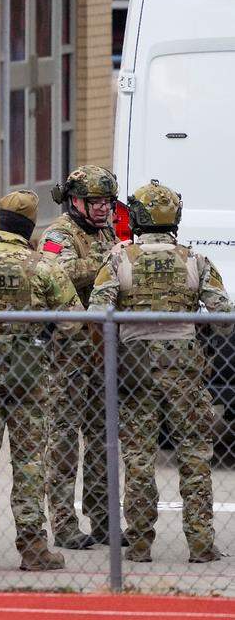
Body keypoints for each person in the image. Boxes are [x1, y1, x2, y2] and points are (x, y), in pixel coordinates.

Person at [88, 180, 229, 563]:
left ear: (136, 217)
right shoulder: (195, 260)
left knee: (137, 455)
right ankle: (201, 544)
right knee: (195, 453)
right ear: (175, 218)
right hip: (183, 359)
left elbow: (98, 310)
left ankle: (138, 544)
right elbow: (222, 315)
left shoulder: (120, 260)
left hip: (134, 361)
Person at [0, 190, 82, 572]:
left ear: (0, 221)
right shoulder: (43, 267)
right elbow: (74, 320)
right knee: (29, 464)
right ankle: (33, 547)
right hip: (30, 379)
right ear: (29, 227)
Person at [39, 165, 118, 550]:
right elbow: (59, 273)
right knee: (65, 442)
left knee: (103, 439)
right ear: (75, 201)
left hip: (101, 350)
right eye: (96, 202)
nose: (104, 209)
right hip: (67, 353)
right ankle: (64, 525)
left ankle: (102, 521)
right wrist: (111, 261)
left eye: (107, 202)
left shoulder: (107, 233)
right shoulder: (58, 234)